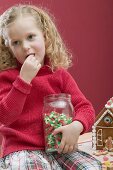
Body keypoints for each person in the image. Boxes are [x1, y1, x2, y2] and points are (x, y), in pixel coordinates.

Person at [0, 4, 101, 170]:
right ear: (9, 48)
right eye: (16, 42)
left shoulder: (58, 74)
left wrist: (76, 126)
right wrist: (23, 80)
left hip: (61, 147)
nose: (25, 46)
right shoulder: (7, 77)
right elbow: (5, 116)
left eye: (31, 37)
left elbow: (85, 107)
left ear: (45, 37)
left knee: (92, 167)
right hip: (23, 149)